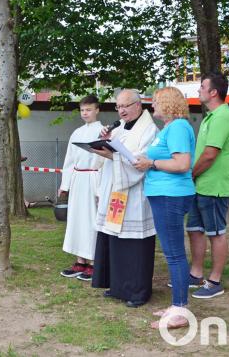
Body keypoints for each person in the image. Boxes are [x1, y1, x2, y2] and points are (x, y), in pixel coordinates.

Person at [133, 87, 195, 329]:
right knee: (172, 252)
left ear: (168, 103)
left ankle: (180, 310)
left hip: (171, 195)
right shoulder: (170, 128)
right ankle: (177, 304)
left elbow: (182, 164)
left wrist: (151, 163)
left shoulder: (178, 127)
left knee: (174, 253)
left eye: (156, 102)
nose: (152, 106)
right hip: (164, 194)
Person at [89, 89, 158, 308]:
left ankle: (137, 291)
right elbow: (115, 153)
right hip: (116, 191)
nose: (121, 110)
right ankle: (118, 287)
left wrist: (111, 154)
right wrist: (104, 142)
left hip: (135, 193)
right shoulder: (119, 127)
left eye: (126, 106)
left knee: (134, 243)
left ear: (138, 105)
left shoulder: (149, 130)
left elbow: (139, 161)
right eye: (118, 107)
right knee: (114, 239)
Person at [186, 72, 229, 299]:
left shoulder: (222, 117)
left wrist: (190, 174)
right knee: (195, 230)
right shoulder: (211, 116)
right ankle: (195, 274)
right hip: (202, 185)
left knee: (216, 233)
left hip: (215, 186)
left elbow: (210, 155)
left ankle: (215, 280)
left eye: (202, 86)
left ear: (213, 92)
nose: (198, 90)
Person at [58, 95, 105, 282]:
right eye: (82, 110)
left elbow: (105, 162)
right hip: (78, 180)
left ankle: (94, 262)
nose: (85, 113)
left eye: (89, 110)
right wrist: (65, 184)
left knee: (91, 220)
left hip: (94, 178)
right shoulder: (76, 133)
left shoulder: (103, 131)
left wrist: (101, 189)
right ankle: (80, 261)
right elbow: (69, 161)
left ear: (97, 110)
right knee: (77, 220)